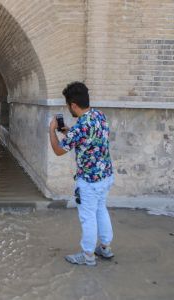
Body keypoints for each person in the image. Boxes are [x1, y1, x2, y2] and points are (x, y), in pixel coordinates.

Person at [49, 81, 115, 266]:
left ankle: (87, 256)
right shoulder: (99, 115)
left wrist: (51, 130)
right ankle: (105, 248)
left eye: (67, 104)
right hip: (106, 176)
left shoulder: (79, 128)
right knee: (101, 210)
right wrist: (68, 132)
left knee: (88, 217)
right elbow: (89, 138)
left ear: (73, 105)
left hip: (89, 181)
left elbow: (58, 150)